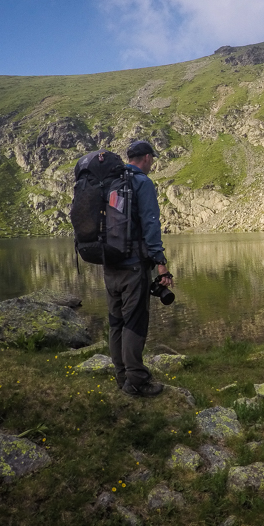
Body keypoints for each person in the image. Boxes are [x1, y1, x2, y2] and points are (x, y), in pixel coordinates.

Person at [104, 140, 173, 397]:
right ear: (146, 158)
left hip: (110, 264)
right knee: (134, 322)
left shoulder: (111, 181)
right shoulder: (142, 183)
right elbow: (150, 224)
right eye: (151, 159)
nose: (152, 163)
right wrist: (161, 264)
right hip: (133, 266)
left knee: (116, 322)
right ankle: (136, 381)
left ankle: (121, 376)